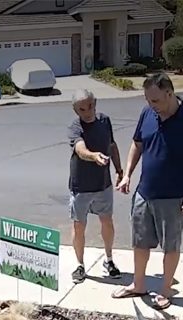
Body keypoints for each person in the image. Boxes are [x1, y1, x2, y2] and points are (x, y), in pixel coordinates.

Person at [113, 73, 183, 309]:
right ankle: (138, 285)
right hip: (144, 193)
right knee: (139, 242)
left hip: (173, 197)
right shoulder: (148, 114)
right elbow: (137, 144)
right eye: (147, 100)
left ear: (169, 93)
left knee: (170, 245)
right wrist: (127, 174)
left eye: (155, 100)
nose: (151, 105)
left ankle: (166, 289)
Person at [67, 89, 122, 283]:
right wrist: (94, 156)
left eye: (90, 105)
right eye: (82, 109)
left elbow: (112, 146)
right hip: (81, 186)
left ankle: (109, 260)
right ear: (76, 110)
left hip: (103, 185)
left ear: (95, 102)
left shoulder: (104, 121)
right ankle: (80, 265)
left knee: (107, 221)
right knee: (79, 225)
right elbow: (80, 149)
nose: (88, 111)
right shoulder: (75, 127)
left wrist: (120, 170)